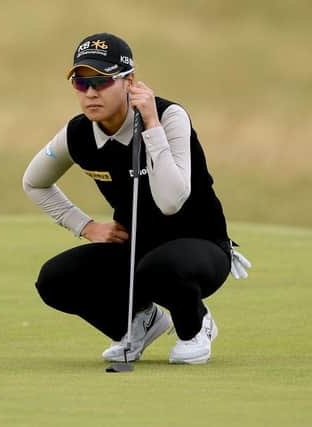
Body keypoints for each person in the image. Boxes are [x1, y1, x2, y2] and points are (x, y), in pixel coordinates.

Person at [22, 32, 251, 364]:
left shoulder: (170, 117)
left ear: (129, 81)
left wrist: (151, 126)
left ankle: (195, 325)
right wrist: (85, 226)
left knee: (160, 268)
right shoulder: (78, 134)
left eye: (101, 81)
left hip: (200, 247)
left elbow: (170, 202)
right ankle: (141, 320)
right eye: (81, 83)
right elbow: (34, 183)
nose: (90, 93)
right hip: (136, 253)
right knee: (55, 280)